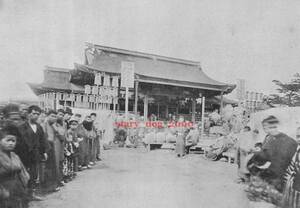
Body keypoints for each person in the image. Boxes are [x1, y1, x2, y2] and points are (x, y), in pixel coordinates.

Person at [246, 115, 297, 206]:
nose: (265, 130)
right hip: (278, 178)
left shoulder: (275, 140)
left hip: (271, 178)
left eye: (265, 127)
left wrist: (256, 157)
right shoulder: (286, 140)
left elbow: (264, 159)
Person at [18, 105, 48, 200]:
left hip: (36, 155)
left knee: (34, 175)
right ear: (29, 114)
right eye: (34, 113)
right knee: (24, 175)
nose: (35, 116)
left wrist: (44, 152)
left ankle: (32, 194)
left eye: (37, 114)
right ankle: (23, 195)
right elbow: (20, 142)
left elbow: (42, 140)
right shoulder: (22, 127)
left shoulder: (39, 127)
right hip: (24, 155)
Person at [0, 123, 30, 208]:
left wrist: (24, 185)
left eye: (13, 141)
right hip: (4, 192)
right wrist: (3, 193)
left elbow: (23, 173)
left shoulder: (15, 155)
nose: (11, 143)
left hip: (17, 189)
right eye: (8, 140)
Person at [42, 110, 64, 191]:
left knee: (53, 167)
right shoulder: (44, 124)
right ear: (47, 116)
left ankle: (53, 185)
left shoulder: (54, 125)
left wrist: (56, 129)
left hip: (53, 147)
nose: (54, 118)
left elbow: (62, 136)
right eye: (52, 116)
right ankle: (47, 187)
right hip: (46, 147)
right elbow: (43, 137)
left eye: (55, 116)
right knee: (48, 168)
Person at [281, 127, 300, 208]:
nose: (298, 139)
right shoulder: (297, 150)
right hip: (295, 186)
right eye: (297, 136)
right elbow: (291, 166)